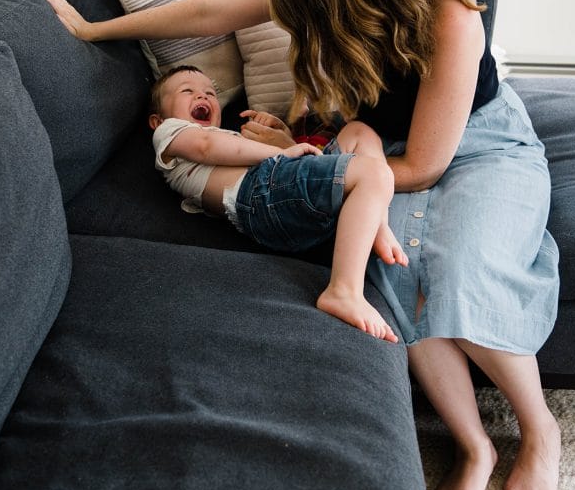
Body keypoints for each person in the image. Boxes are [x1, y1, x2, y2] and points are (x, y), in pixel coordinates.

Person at [32, 0, 561, 490]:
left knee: (461, 269)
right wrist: (90, 27)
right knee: (399, 279)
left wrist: (337, 173)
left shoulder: (452, 12)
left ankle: (540, 430)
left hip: (476, 145)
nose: (295, 5)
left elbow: (425, 163)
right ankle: (475, 444)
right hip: (378, 150)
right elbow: (207, 14)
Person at [148, 64, 407, 344]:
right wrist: (283, 151)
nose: (203, 96)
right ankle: (344, 290)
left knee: (359, 131)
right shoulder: (169, 133)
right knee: (374, 174)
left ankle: (375, 219)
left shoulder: (227, 137)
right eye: (188, 91)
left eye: (211, 92)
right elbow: (206, 146)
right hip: (260, 195)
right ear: (156, 121)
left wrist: (284, 137)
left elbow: (234, 150)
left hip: (275, 193)